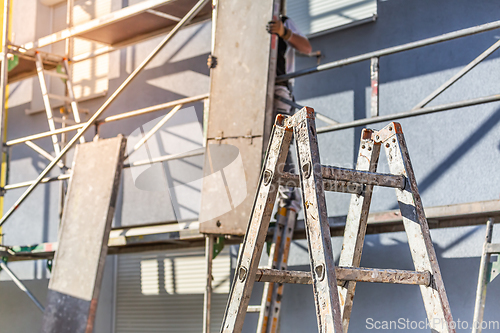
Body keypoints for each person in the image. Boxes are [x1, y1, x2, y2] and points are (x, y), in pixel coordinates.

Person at [267, 15, 311, 213]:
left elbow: (306, 48)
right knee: (259, 144)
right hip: (251, 93)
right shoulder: (246, 21)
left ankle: (290, 197)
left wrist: (283, 32)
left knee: (279, 141)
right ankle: (274, 196)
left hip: (278, 90)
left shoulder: (282, 21)